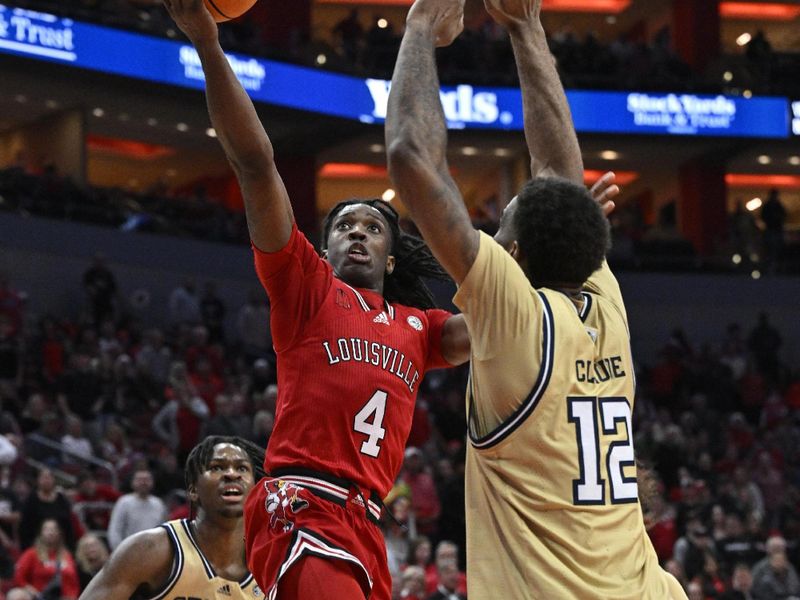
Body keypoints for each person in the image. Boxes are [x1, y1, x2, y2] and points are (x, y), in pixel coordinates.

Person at [161, 2, 471, 598]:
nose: (357, 232)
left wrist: (548, 241)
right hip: (300, 505)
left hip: (365, 521)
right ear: (324, 250)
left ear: (391, 257)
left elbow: (495, 312)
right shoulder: (307, 287)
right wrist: (207, 44)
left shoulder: (423, 327)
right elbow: (254, 165)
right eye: (343, 225)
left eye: (373, 227)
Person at [384, 0, 687, 598]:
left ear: (513, 257)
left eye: (501, 226)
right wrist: (527, 26)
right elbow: (557, 174)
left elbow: (409, 159)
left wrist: (420, 28)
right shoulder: (604, 299)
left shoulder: (517, 314)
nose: (492, 234)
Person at [79, 436, 264, 599]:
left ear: (255, 488)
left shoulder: (271, 562)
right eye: (216, 467)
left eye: (241, 468)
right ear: (193, 490)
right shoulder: (150, 550)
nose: (232, 474)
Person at [12, 519, 80, 600]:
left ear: (59, 533)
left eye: (54, 529)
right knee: (16, 594)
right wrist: (32, 591)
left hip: (66, 597)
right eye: (47, 529)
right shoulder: (31, 554)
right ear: (40, 533)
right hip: (39, 596)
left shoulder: (67, 555)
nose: (50, 532)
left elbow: (74, 582)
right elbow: (19, 578)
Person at [106, 468, 166, 549]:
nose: (143, 482)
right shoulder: (124, 502)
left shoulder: (158, 503)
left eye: (147, 479)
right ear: (132, 482)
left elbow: (164, 530)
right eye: (139, 479)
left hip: (154, 551)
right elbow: (115, 531)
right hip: (129, 550)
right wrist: (119, 552)